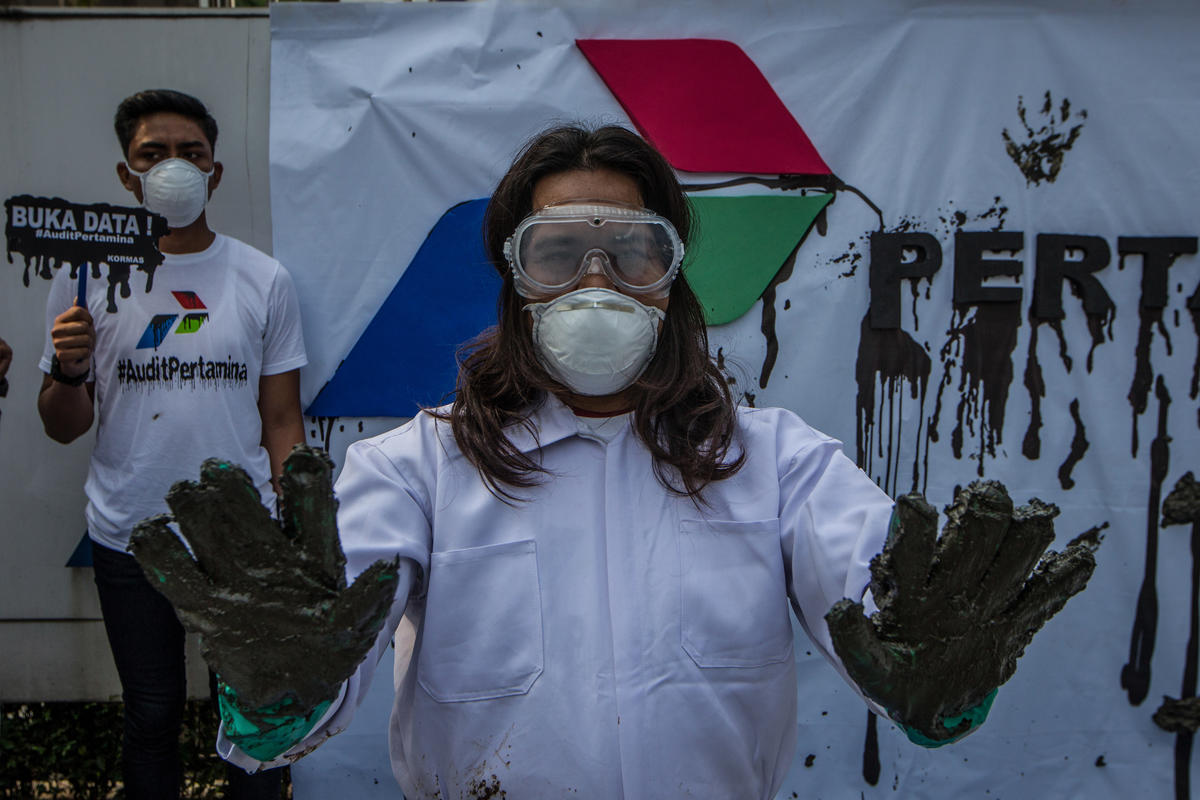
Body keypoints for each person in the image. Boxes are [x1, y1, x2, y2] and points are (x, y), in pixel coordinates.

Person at [207, 123, 899, 798]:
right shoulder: (415, 470)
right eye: (556, 253)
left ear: (672, 277)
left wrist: (917, 652)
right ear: (516, 282)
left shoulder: (776, 462)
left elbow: (880, 599)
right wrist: (285, 684)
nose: (595, 284)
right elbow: (332, 638)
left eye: (634, 251)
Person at [38, 89, 307, 800]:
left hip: (242, 542)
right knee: (151, 713)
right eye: (153, 154)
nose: (174, 167)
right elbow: (63, 423)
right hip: (131, 535)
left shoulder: (262, 279)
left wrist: (296, 528)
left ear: (215, 172)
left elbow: (282, 419)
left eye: (192, 153)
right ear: (126, 176)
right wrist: (68, 369)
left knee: (255, 720)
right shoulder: (84, 277)